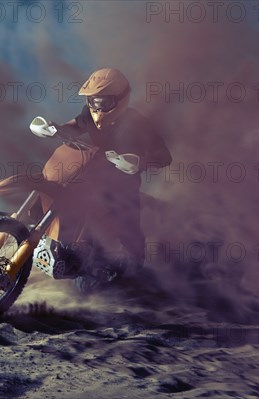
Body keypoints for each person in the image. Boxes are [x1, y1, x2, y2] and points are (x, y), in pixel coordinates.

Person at [50, 67, 172, 274]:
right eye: (92, 102)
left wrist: (139, 163)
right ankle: (65, 252)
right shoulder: (88, 115)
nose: (96, 109)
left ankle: (135, 265)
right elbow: (76, 125)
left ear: (120, 99)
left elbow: (164, 157)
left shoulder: (138, 124)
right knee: (69, 200)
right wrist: (56, 129)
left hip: (122, 184)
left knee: (125, 224)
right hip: (91, 174)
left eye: (103, 103)